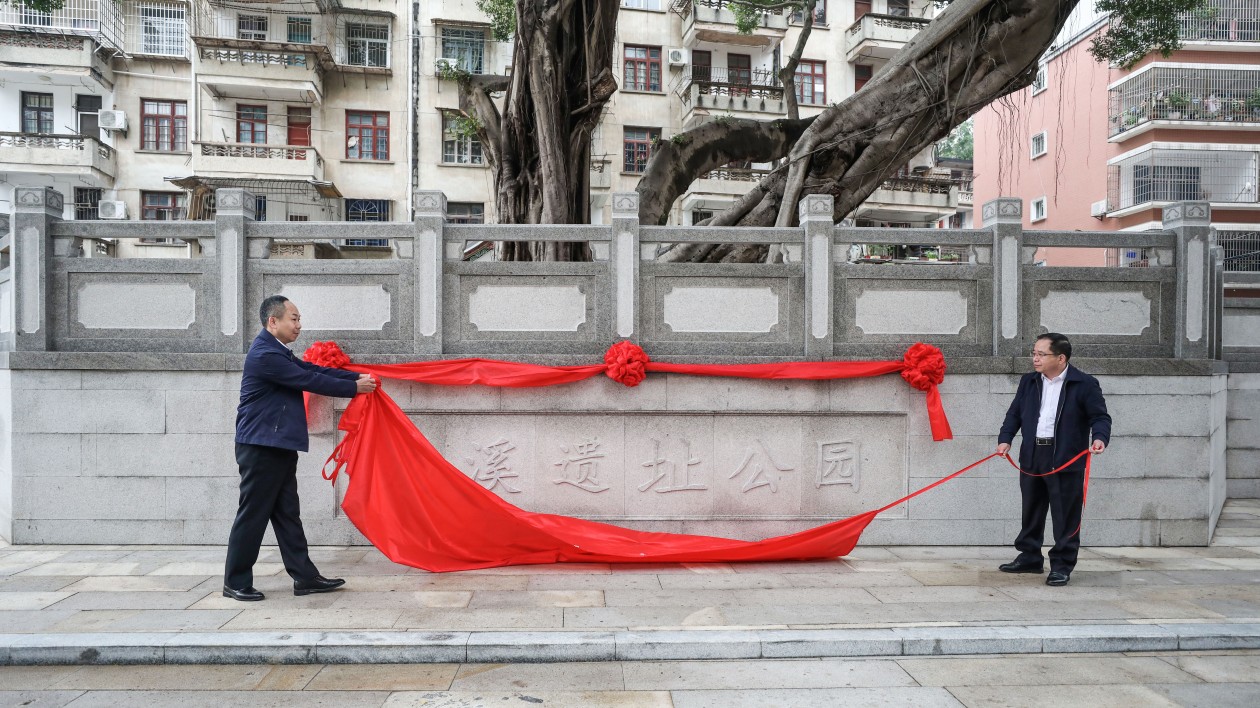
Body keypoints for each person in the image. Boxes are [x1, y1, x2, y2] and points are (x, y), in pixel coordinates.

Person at [223, 295, 377, 601]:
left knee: (287, 514)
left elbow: (312, 370)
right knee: (253, 515)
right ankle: (235, 582)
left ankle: (304, 577)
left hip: (276, 444)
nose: (299, 325)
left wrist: (355, 377)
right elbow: (307, 379)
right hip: (261, 446)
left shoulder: (277, 351)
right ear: (273, 321)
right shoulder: (265, 355)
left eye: (298, 319)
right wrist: (352, 387)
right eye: (293, 319)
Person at [996, 332, 1111, 587]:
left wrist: (1100, 438)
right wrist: (1005, 439)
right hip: (1033, 453)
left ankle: (1061, 565)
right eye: (1034, 353)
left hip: (1065, 457)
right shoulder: (1029, 382)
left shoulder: (1084, 383)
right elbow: (1014, 413)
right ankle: (1029, 557)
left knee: (1065, 514)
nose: (1035, 359)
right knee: (1031, 509)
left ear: (1061, 358)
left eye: (1041, 354)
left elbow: (1100, 417)